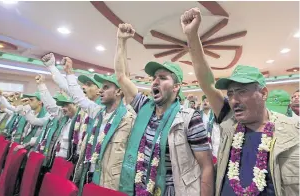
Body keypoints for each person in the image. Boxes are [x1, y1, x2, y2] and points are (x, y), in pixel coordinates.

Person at [183, 7, 299, 196]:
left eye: (242, 91)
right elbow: (206, 83)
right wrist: (192, 36)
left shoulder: (293, 128)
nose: (234, 99)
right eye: (230, 93)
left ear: (263, 93)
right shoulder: (230, 120)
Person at [115, 23, 214, 196]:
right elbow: (121, 77)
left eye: (162, 78)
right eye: (154, 78)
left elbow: (206, 166)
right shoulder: (144, 107)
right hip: (139, 186)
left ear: (176, 87)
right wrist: (121, 41)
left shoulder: (190, 119)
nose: (154, 81)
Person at [60, 58, 135, 193]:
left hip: (109, 182)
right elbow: (79, 98)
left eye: (106, 87)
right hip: (88, 174)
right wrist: (69, 73)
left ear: (118, 91)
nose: (100, 91)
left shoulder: (129, 118)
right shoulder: (97, 112)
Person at [42, 53, 102, 163]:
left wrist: (69, 72)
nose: (84, 87)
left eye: (89, 85)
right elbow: (65, 86)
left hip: (89, 161)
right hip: (73, 155)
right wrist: (51, 67)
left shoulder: (101, 110)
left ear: (100, 90)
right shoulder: (81, 106)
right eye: (84, 84)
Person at [201, 95, 220, 162]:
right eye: (203, 101)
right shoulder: (198, 114)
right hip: (202, 142)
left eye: (207, 101)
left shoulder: (215, 114)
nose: (205, 102)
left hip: (213, 142)